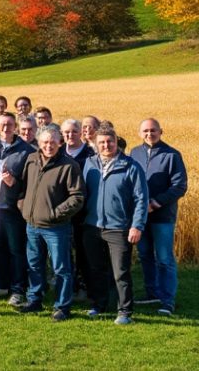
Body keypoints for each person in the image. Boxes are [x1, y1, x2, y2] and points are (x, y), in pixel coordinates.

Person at [3, 126, 85, 321]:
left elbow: (77, 197)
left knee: (61, 268)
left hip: (56, 227)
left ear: (60, 143)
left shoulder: (69, 166)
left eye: (53, 142)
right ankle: (35, 299)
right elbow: (24, 187)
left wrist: (55, 214)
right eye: (45, 142)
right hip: (32, 225)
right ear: (39, 143)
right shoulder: (31, 160)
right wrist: (23, 205)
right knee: (34, 265)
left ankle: (62, 306)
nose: (49, 146)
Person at [83, 124, 148, 325]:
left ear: (116, 141)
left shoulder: (130, 166)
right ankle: (99, 304)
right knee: (96, 269)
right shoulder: (89, 164)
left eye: (109, 141)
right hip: (92, 226)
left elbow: (141, 199)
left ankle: (125, 311)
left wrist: (137, 226)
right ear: (95, 144)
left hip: (119, 228)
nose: (106, 145)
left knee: (120, 272)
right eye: (101, 142)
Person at [129, 118, 188, 316]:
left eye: (153, 130)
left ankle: (167, 300)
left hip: (162, 216)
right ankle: (151, 293)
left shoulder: (172, 155)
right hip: (140, 218)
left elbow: (179, 186)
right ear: (139, 133)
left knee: (164, 259)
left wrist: (155, 203)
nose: (149, 134)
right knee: (145, 255)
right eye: (145, 131)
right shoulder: (134, 153)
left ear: (161, 131)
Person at [0, 113, 34, 306]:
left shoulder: (27, 150)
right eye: (3, 124)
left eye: (10, 124)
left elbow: (31, 182)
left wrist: (14, 182)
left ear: (16, 127)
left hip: (12, 209)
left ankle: (18, 288)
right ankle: (1, 284)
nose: (6, 128)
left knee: (16, 250)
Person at [61, 118, 96, 300]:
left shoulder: (91, 154)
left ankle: (84, 286)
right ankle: (69, 286)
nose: (70, 135)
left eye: (74, 131)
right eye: (66, 132)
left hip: (84, 212)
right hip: (62, 213)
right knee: (64, 251)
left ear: (80, 133)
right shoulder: (57, 153)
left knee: (83, 252)